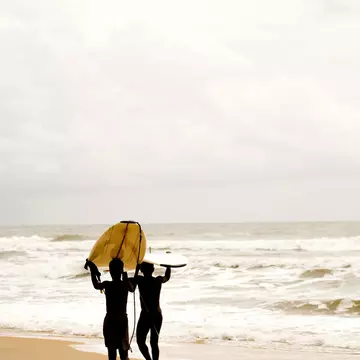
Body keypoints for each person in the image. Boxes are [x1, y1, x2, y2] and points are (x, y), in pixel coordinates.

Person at [85, 258, 135, 360]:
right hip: (122, 320)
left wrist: (92, 269)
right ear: (121, 271)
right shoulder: (125, 284)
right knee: (123, 353)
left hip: (111, 320)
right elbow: (132, 289)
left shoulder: (108, 285)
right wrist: (125, 275)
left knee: (111, 353)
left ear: (110, 271)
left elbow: (96, 285)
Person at [130, 262, 171, 360]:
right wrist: (168, 266)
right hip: (156, 314)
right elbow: (167, 277)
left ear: (141, 270)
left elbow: (131, 287)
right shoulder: (158, 280)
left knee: (140, 341)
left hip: (146, 315)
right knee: (154, 342)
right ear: (153, 270)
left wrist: (136, 269)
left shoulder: (140, 280)